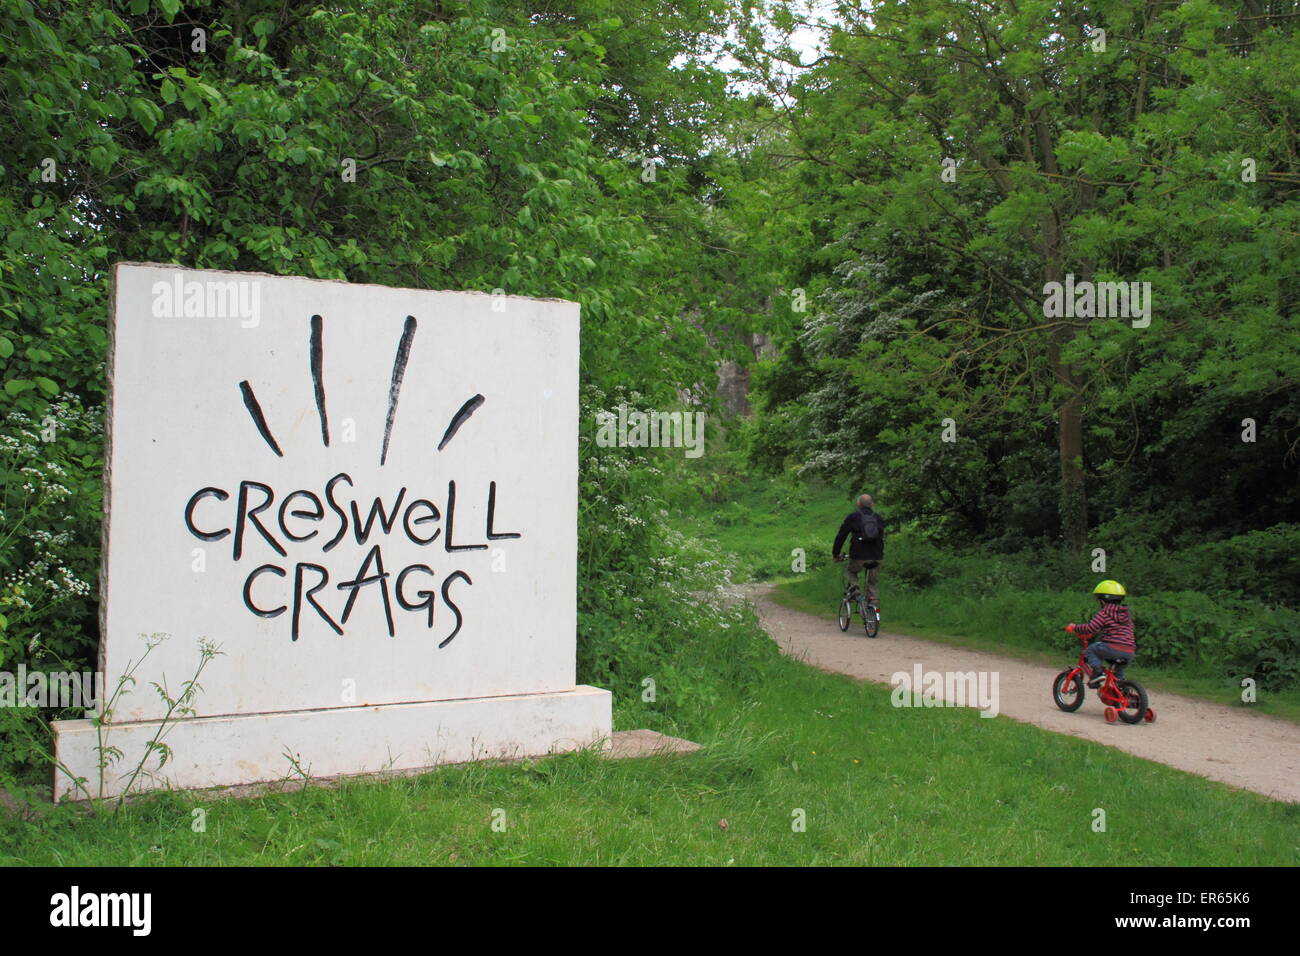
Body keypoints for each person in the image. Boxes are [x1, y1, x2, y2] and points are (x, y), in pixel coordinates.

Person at [1066, 580, 1136, 688]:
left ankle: (1098, 672)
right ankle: (1122, 693)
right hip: (1129, 651)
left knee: (1091, 649)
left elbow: (1090, 627)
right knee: (1118, 676)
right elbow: (1120, 629)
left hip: (1112, 648)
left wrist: (1075, 627)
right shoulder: (1126, 614)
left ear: (1102, 601)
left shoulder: (1104, 613)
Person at [832, 493, 885, 608]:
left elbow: (841, 536)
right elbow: (881, 538)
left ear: (858, 504)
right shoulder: (878, 518)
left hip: (858, 555)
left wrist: (836, 554)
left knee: (850, 572)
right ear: (872, 504)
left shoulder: (853, 517)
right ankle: (873, 612)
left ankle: (854, 588)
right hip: (876, 556)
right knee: (872, 584)